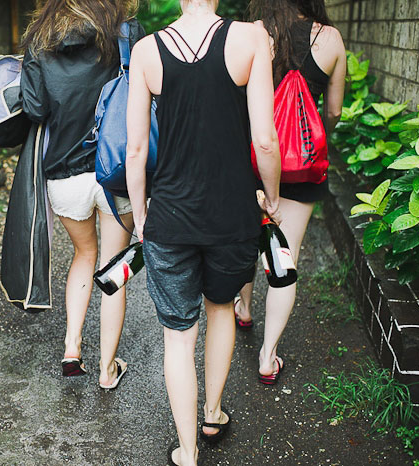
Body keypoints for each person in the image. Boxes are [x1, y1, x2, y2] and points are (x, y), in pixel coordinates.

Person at [126, 0, 281, 463]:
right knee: (220, 310)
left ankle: (188, 452)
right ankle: (213, 412)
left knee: (178, 335)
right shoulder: (251, 38)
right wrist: (271, 197)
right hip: (232, 215)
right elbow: (266, 139)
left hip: (169, 217)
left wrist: (140, 216)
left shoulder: (146, 51)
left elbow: (136, 149)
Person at [20, 0, 144, 389]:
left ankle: (72, 348)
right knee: (112, 266)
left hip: (63, 174)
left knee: (83, 254)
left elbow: (35, 108)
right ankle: (108, 370)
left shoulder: (39, 40)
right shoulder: (125, 33)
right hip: (116, 171)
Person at [235, 0, 346, 385]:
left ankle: (244, 309)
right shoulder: (330, 38)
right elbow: (333, 111)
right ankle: (268, 356)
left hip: (250, 160)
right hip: (301, 168)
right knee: (286, 256)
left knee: (248, 241)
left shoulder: (254, 34)